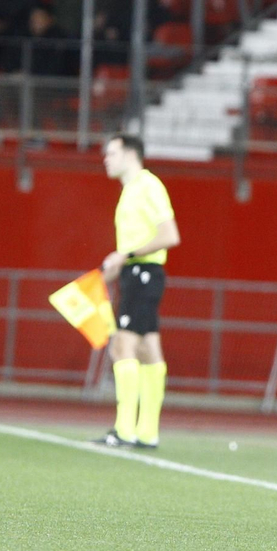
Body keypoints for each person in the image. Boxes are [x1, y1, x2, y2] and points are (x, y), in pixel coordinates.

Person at [96, 134, 181, 450]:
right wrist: (113, 269)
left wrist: (127, 256)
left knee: (122, 346)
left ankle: (124, 430)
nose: (106, 159)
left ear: (131, 154)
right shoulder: (131, 190)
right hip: (138, 273)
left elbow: (170, 235)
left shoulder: (147, 185)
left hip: (144, 273)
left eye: (112, 153)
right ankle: (146, 432)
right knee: (148, 350)